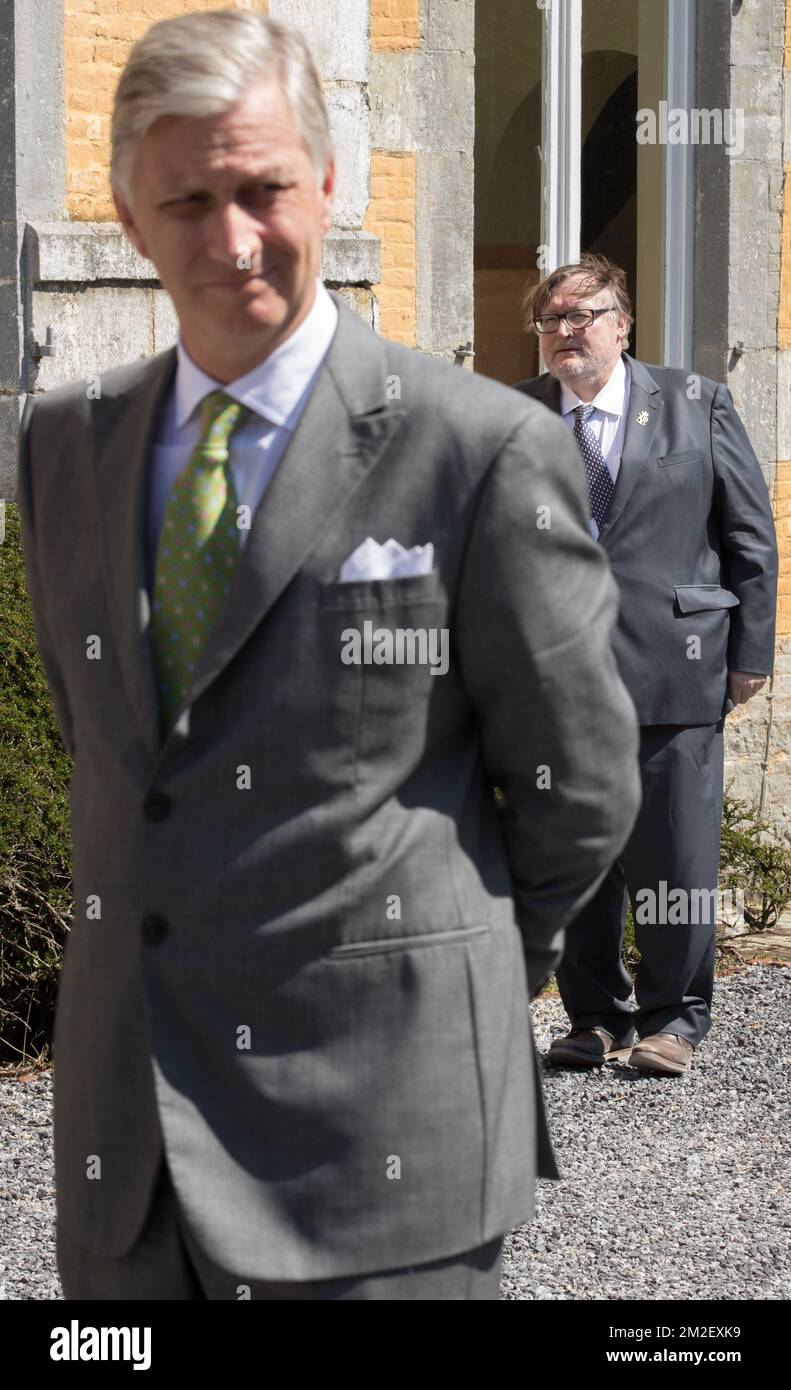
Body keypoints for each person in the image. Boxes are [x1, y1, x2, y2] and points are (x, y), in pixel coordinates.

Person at [17, 12, 640, 1300]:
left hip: (379, 1152)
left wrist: (448, 960)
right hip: (127, 1168)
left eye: (264, 189)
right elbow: (121, 763)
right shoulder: (62, 449)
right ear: (130, 219)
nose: (233, 240)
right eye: (187, 199)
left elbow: (580, 782)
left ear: (329, 184)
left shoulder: (475, 452)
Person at [514, 254, 778, 1078]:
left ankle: (675, 1019)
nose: (565, 331)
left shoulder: (693, 405)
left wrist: (750, 652)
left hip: (675, 666)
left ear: (621, 323)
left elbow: (748, 534)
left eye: (581, 315)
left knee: (675, 851)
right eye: (550, 319)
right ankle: (593, 1016)